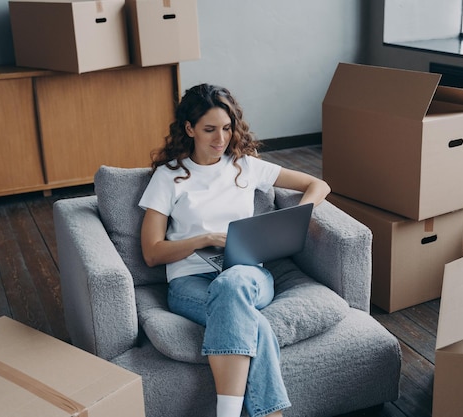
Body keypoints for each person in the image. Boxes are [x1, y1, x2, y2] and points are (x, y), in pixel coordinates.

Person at [138, 83, 330, 417]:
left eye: (227, 129)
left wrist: (298, 216)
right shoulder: (169, 177)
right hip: (189, 282)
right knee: (258, 327)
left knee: (233, 283)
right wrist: (204, 239)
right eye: (210, 130)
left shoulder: (247, 166)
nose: (221, 139)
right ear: (189, 128)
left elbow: (318, 185)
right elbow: (152, 252)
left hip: (248, 274)